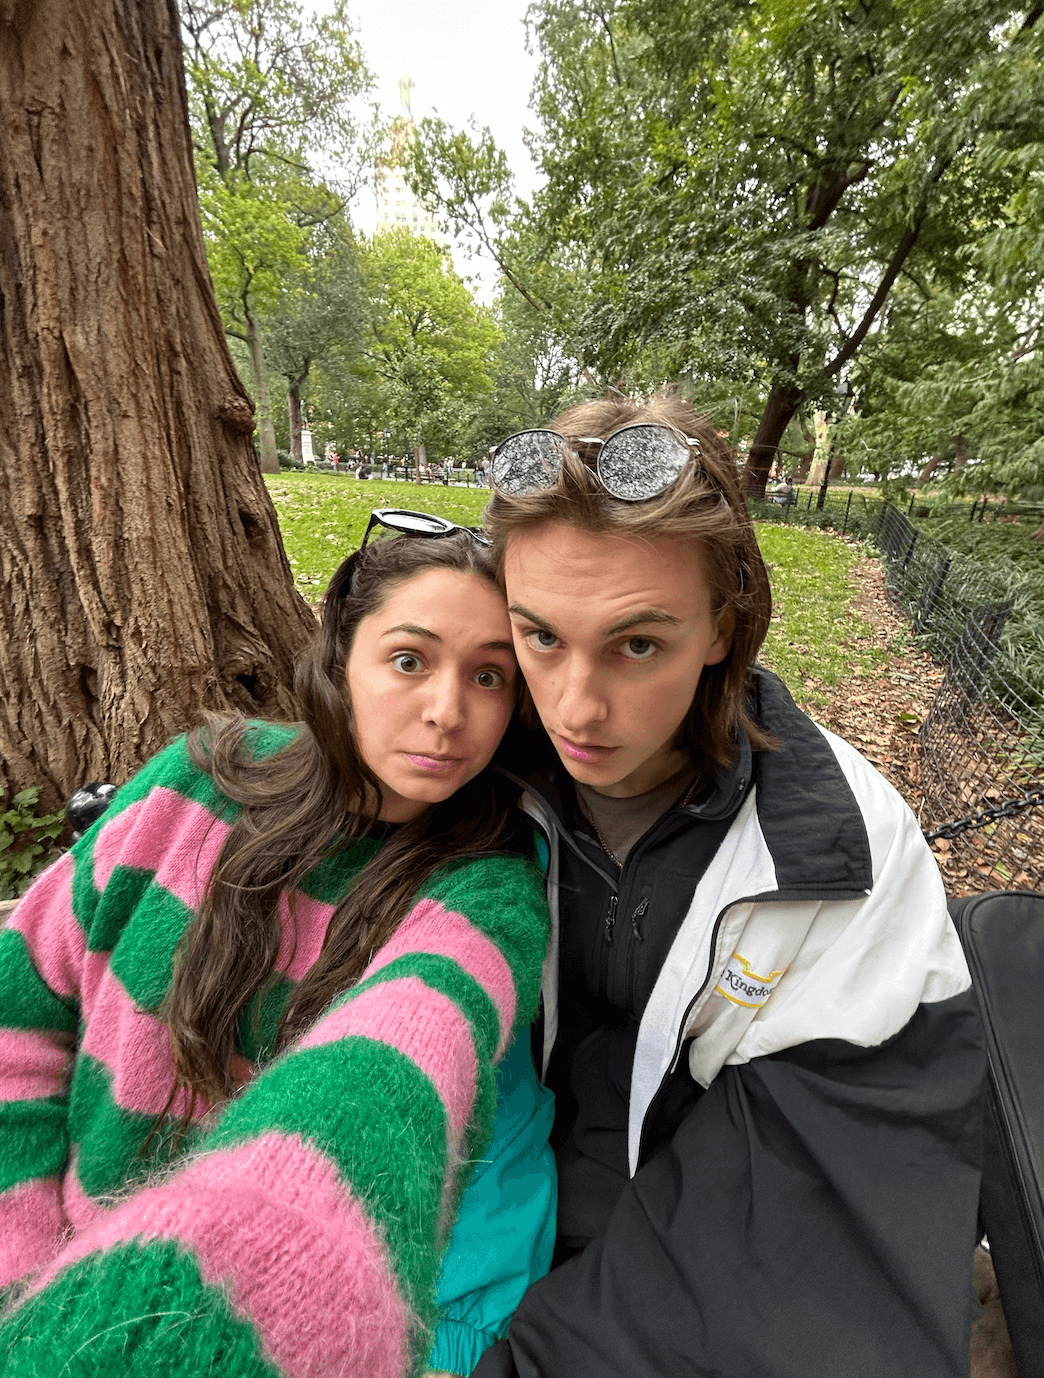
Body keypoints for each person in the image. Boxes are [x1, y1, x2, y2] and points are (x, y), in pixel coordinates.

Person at [474, 397, 985, 1378]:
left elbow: (814, 1252)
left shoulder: (847, 861)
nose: (576, 707)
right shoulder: (467, 785)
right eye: (539, 636)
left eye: (637, 644)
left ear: (723, 625)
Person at [0, 511, 555, 1378]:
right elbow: (19, 1015)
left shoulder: (485, 889)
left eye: (490, 676)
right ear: (340, 663)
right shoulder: (194, 784)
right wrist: (21, 1280)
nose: (448, 712)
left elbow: (386, 1083)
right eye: (409, 660)